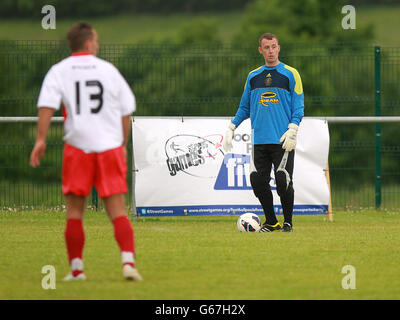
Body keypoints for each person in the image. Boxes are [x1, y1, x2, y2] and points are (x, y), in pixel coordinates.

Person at [29, 22, 142, 281]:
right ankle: (128, 264)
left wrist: (40, 139)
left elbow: (46, 106)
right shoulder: (108, 70)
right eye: (97, 41)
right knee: (117, 210)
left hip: (77, 147)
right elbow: (126, 109)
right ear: (89, 43)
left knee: (75, 212)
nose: (98, 45)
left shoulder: (59, 70)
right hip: (109, 147)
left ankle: (77, 270)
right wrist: (122, 144)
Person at [223, 33, 304, 232]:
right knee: (257, 181)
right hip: (259, 140)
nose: (270, 51)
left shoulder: (291, 74)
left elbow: (298, 107)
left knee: (283, 180)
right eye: (266, 47)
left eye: (273, 46)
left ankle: (288, 222)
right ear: (260, 50)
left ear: (279, 48)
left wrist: (293, 129)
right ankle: (271, 222)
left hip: (282, 140)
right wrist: (232, 127)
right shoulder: (253, 76)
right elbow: (245, 107)